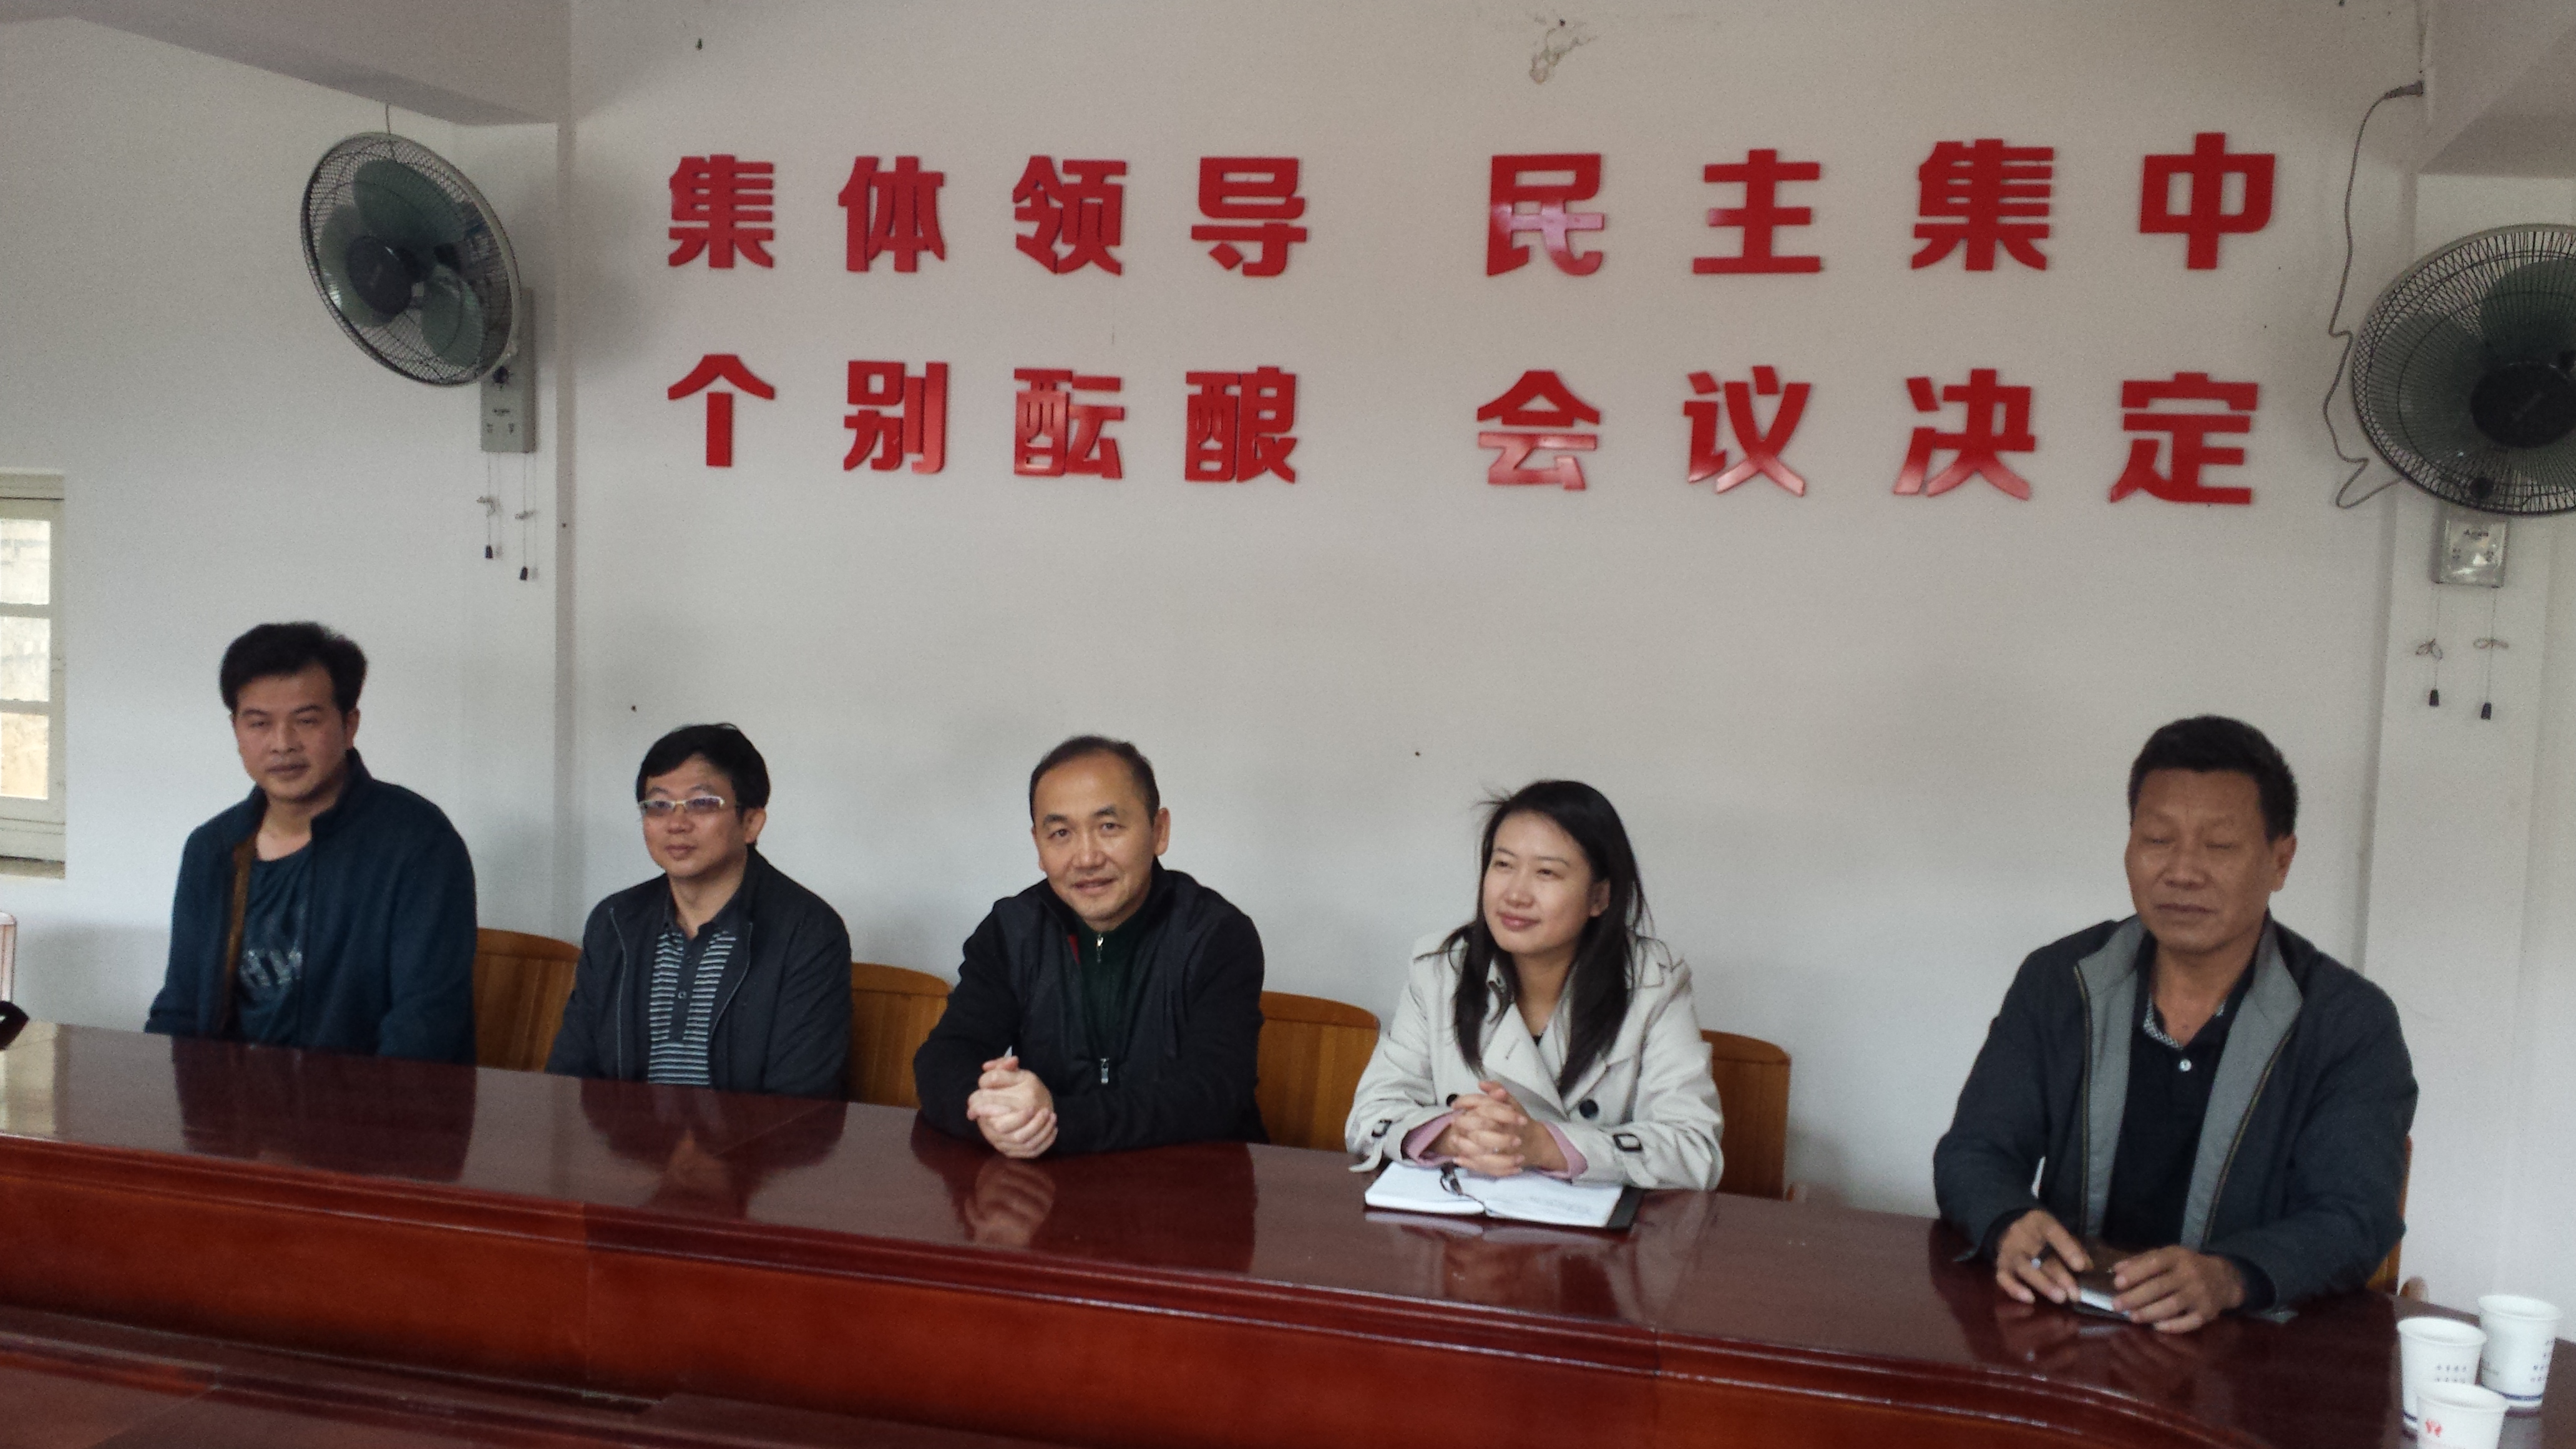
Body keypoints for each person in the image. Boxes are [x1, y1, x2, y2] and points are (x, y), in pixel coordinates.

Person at [1933, 716, 2416, 1332]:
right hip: (2063, 1332)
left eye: (2220, 846)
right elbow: (1976, 1151)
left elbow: (2354, 1217)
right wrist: (2007, 1221)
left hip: (2244, 1352)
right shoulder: (2060, 982)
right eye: (2158, 839)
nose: (2183, 871)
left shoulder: (2348, 1023)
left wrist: (2230, 1276)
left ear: (2280, 860)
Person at [1345, 780, 1724, 1191]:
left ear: (1600, 897)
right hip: (1460, 1218)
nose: (1515, 894)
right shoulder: (1441, 970)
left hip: (1594, 1227)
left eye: (1546, 872)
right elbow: (1370, 1116)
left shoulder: (1653, 982)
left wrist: (1544, 1144)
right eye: (1503, 865)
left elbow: (1694, 1149)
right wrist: (1454, 1136)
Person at [914, 734, 1266, 1157]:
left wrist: (1054, 1122)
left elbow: (1211, 1096)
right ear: (1038, 846)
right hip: (1051, 1182)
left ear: (1159, 831)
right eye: (1061, 833)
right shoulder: (1013, 931)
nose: (1086, 858)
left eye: (1108, 827)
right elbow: (944, 1058)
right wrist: (990, 1114)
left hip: (1192, 1181)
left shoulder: (1216, 934)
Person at [148, 622, 477, 1061]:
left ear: (349, 724)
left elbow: (425, 1026)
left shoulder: (417, 843)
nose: (283, 744)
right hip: (225, 1101)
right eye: (259, 723)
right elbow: (180, 1006)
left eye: (306, 721)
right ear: (236, 730)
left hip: (368, 1101)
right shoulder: (213, 848)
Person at [547, 724, 852, 1098]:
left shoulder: (806, 931)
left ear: (751, 823)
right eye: (658, 806)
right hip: (623, 1137)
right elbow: (569, 1078)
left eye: (702, 803)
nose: (676, 824)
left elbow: (799, 1102)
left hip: (752, 1138)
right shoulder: (614, 922)